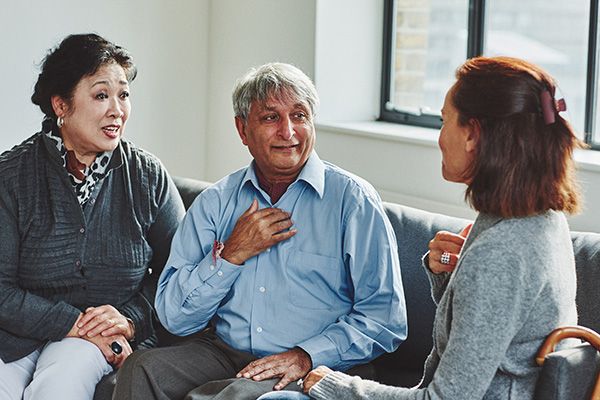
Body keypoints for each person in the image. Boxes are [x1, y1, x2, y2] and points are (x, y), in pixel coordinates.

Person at [112, 62, 407, 400]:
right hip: (224, 352)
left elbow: (385, 319)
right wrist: (231, 256)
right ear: (242, 130)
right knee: (142, 369)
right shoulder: (216, 202)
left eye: (299, 116)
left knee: (232, 396)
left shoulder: (352, 201)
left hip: (315, 364)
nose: (288, 132)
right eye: (270, 118)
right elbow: (175, 318)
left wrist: (307, 355)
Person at [297, 56, 582, 399]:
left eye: (445, 121)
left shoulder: (502, 252)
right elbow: (495, 334)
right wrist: (451, 276)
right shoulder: (541, 220)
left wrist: (335, 386)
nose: (440, 137)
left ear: (473, 135)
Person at [0, 33, 185, 400]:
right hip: (16, 335)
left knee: (61, 385)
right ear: (61, 106)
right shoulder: (11, 176)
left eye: (124, 94)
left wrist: (130, 320)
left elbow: (179, 273)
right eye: (102, 95)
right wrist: (72, 322)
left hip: (98, 340)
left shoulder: (147, 176)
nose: (118, 109)